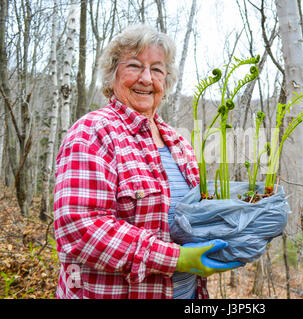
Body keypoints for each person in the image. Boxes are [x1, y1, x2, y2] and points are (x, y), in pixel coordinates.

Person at [53, 24, 241, 299]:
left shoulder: (179, 143)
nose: (146, 78)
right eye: (134, 66)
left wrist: (237, 225)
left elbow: (194, 217)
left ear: (166, 81)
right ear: (112, 74)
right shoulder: (93, 132)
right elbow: (80, 227)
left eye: (156, 69)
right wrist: (176, 259)